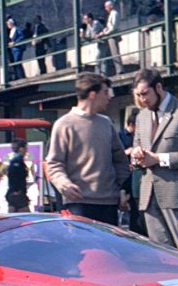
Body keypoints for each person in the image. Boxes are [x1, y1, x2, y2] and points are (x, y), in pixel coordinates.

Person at [130, 68, 178, 255]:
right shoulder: (142, 116)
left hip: (177, 193)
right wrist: (137, 154)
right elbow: (137, 148)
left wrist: (158, 159)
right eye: (139, 95)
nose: (142, 99)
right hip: (149, 194)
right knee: (162, 254)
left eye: (145, 94)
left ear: (158, 87)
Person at [45, 73, 129, 225]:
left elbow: (120, 160)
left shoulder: (107, 123)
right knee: (83, 249)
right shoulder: (64, 124)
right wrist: (65, 185)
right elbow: (54, 163)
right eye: (105, 92)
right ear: (92, 95)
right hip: (78, 203)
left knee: (107, 249)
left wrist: (121, 188)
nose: (109, 97)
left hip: (109, 203)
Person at [3, 139, 32, 212]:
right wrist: (16, 190)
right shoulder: (17, 161)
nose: (26, 151)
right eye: (25, 148)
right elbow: (13, 176)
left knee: (13, 217)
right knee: (27, 218)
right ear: (21, 149)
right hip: (17, 194)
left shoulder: (17, 160)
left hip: (15, 193)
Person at [98, 0, 123, 76]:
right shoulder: (112, 14)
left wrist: (106, 33)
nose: (106, 8)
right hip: (111, 35)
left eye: (106, 7)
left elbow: (114, 27)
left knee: (115, 52)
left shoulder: (114, 13)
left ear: (110, 6)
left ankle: (119, 70)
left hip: (113, 35)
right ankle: (118, 70)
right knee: (114, 53)